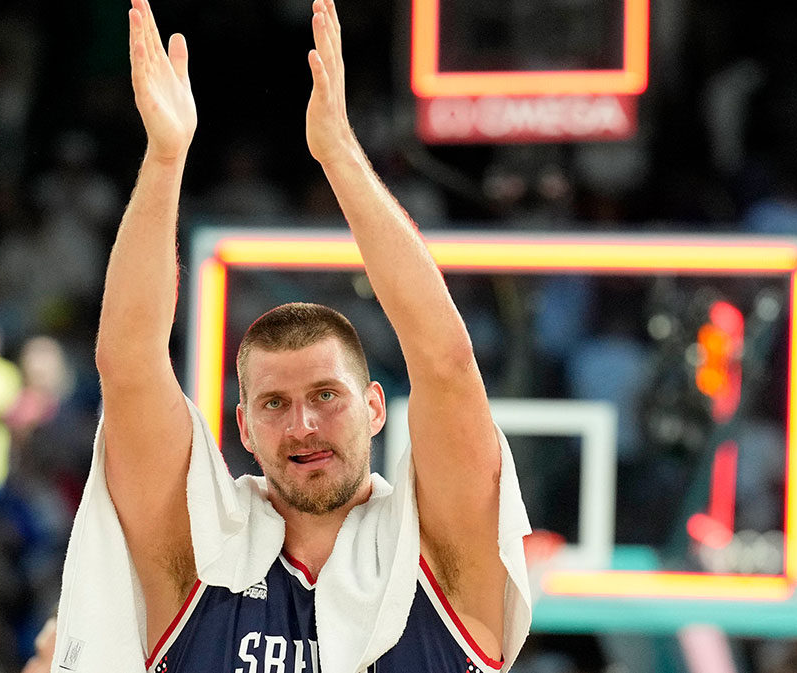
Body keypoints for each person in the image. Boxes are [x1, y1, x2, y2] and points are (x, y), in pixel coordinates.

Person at [83, 0, 528, 670]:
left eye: (326, 394)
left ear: (377, 405)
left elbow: (445, 362)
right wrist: (166, 158)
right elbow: (129, 364)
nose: (303, 424)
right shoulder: (197, 560)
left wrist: (341, 154)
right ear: (243, 424)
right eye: (274, 404)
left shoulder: (446, 559)